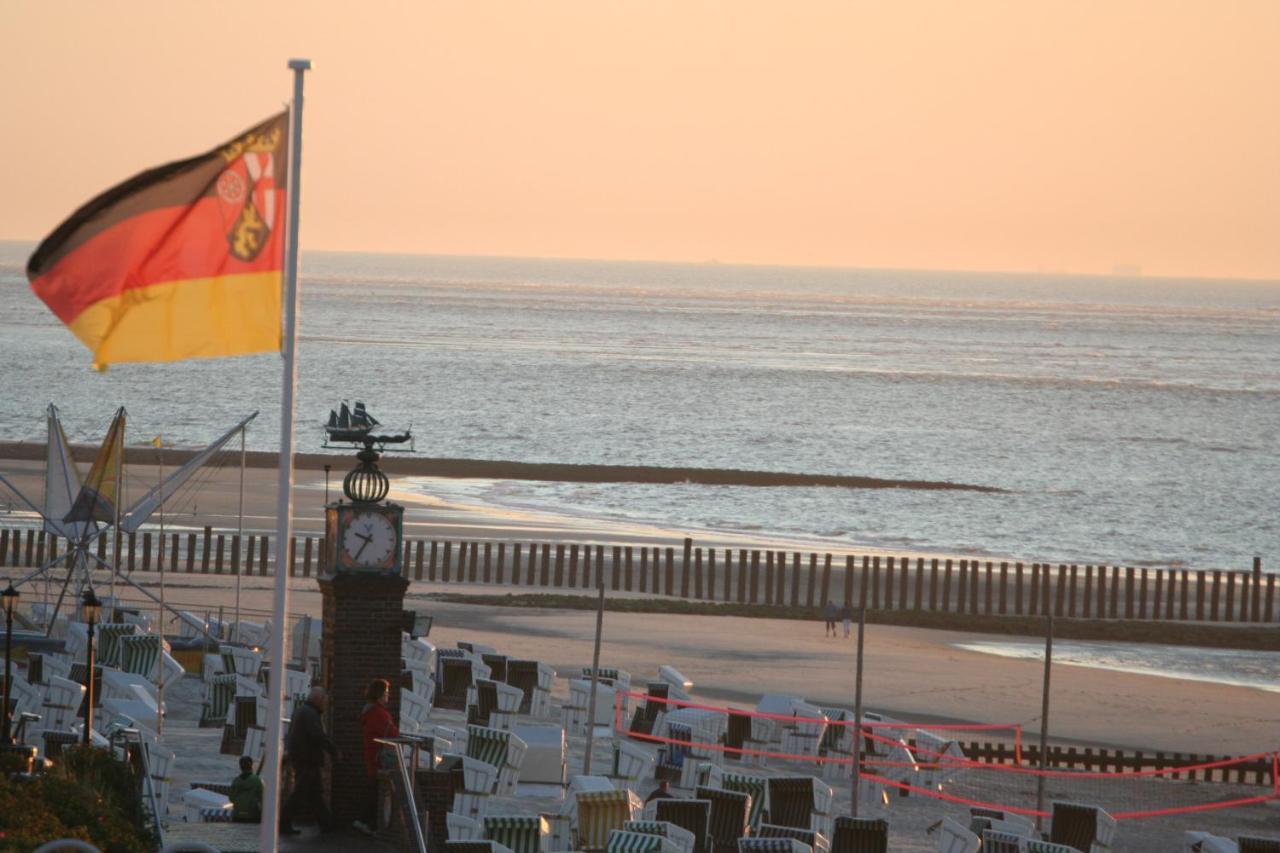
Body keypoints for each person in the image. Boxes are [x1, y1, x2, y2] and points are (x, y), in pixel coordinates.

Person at [280, 686, 337, 835]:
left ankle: (326, 823)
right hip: (307, 759)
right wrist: (333, 750)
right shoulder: (310, 715)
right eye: (325, 700)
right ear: (318, 700)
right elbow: (318, 736)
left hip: (302, 758)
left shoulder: (301, 711)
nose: (325, 704)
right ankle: (283, 823)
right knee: (300, 793)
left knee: (314, 793)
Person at [354, 678, 399, 836]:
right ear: (380, 695)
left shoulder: (370, 712)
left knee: (373, 790)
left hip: (372, 756)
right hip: (379, 758)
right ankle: (366, 823)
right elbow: (392, 733)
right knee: (375, 792)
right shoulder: (379, 714)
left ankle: (366, 822)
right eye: (386, 693)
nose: (388, 696)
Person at [230, 755, 263, 823]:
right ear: (251, 766)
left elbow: (231, 797)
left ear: (240, 767)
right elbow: (262, 797)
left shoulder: (236, 781)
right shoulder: (256, 780)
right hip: (253, 815)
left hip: (237, 815)